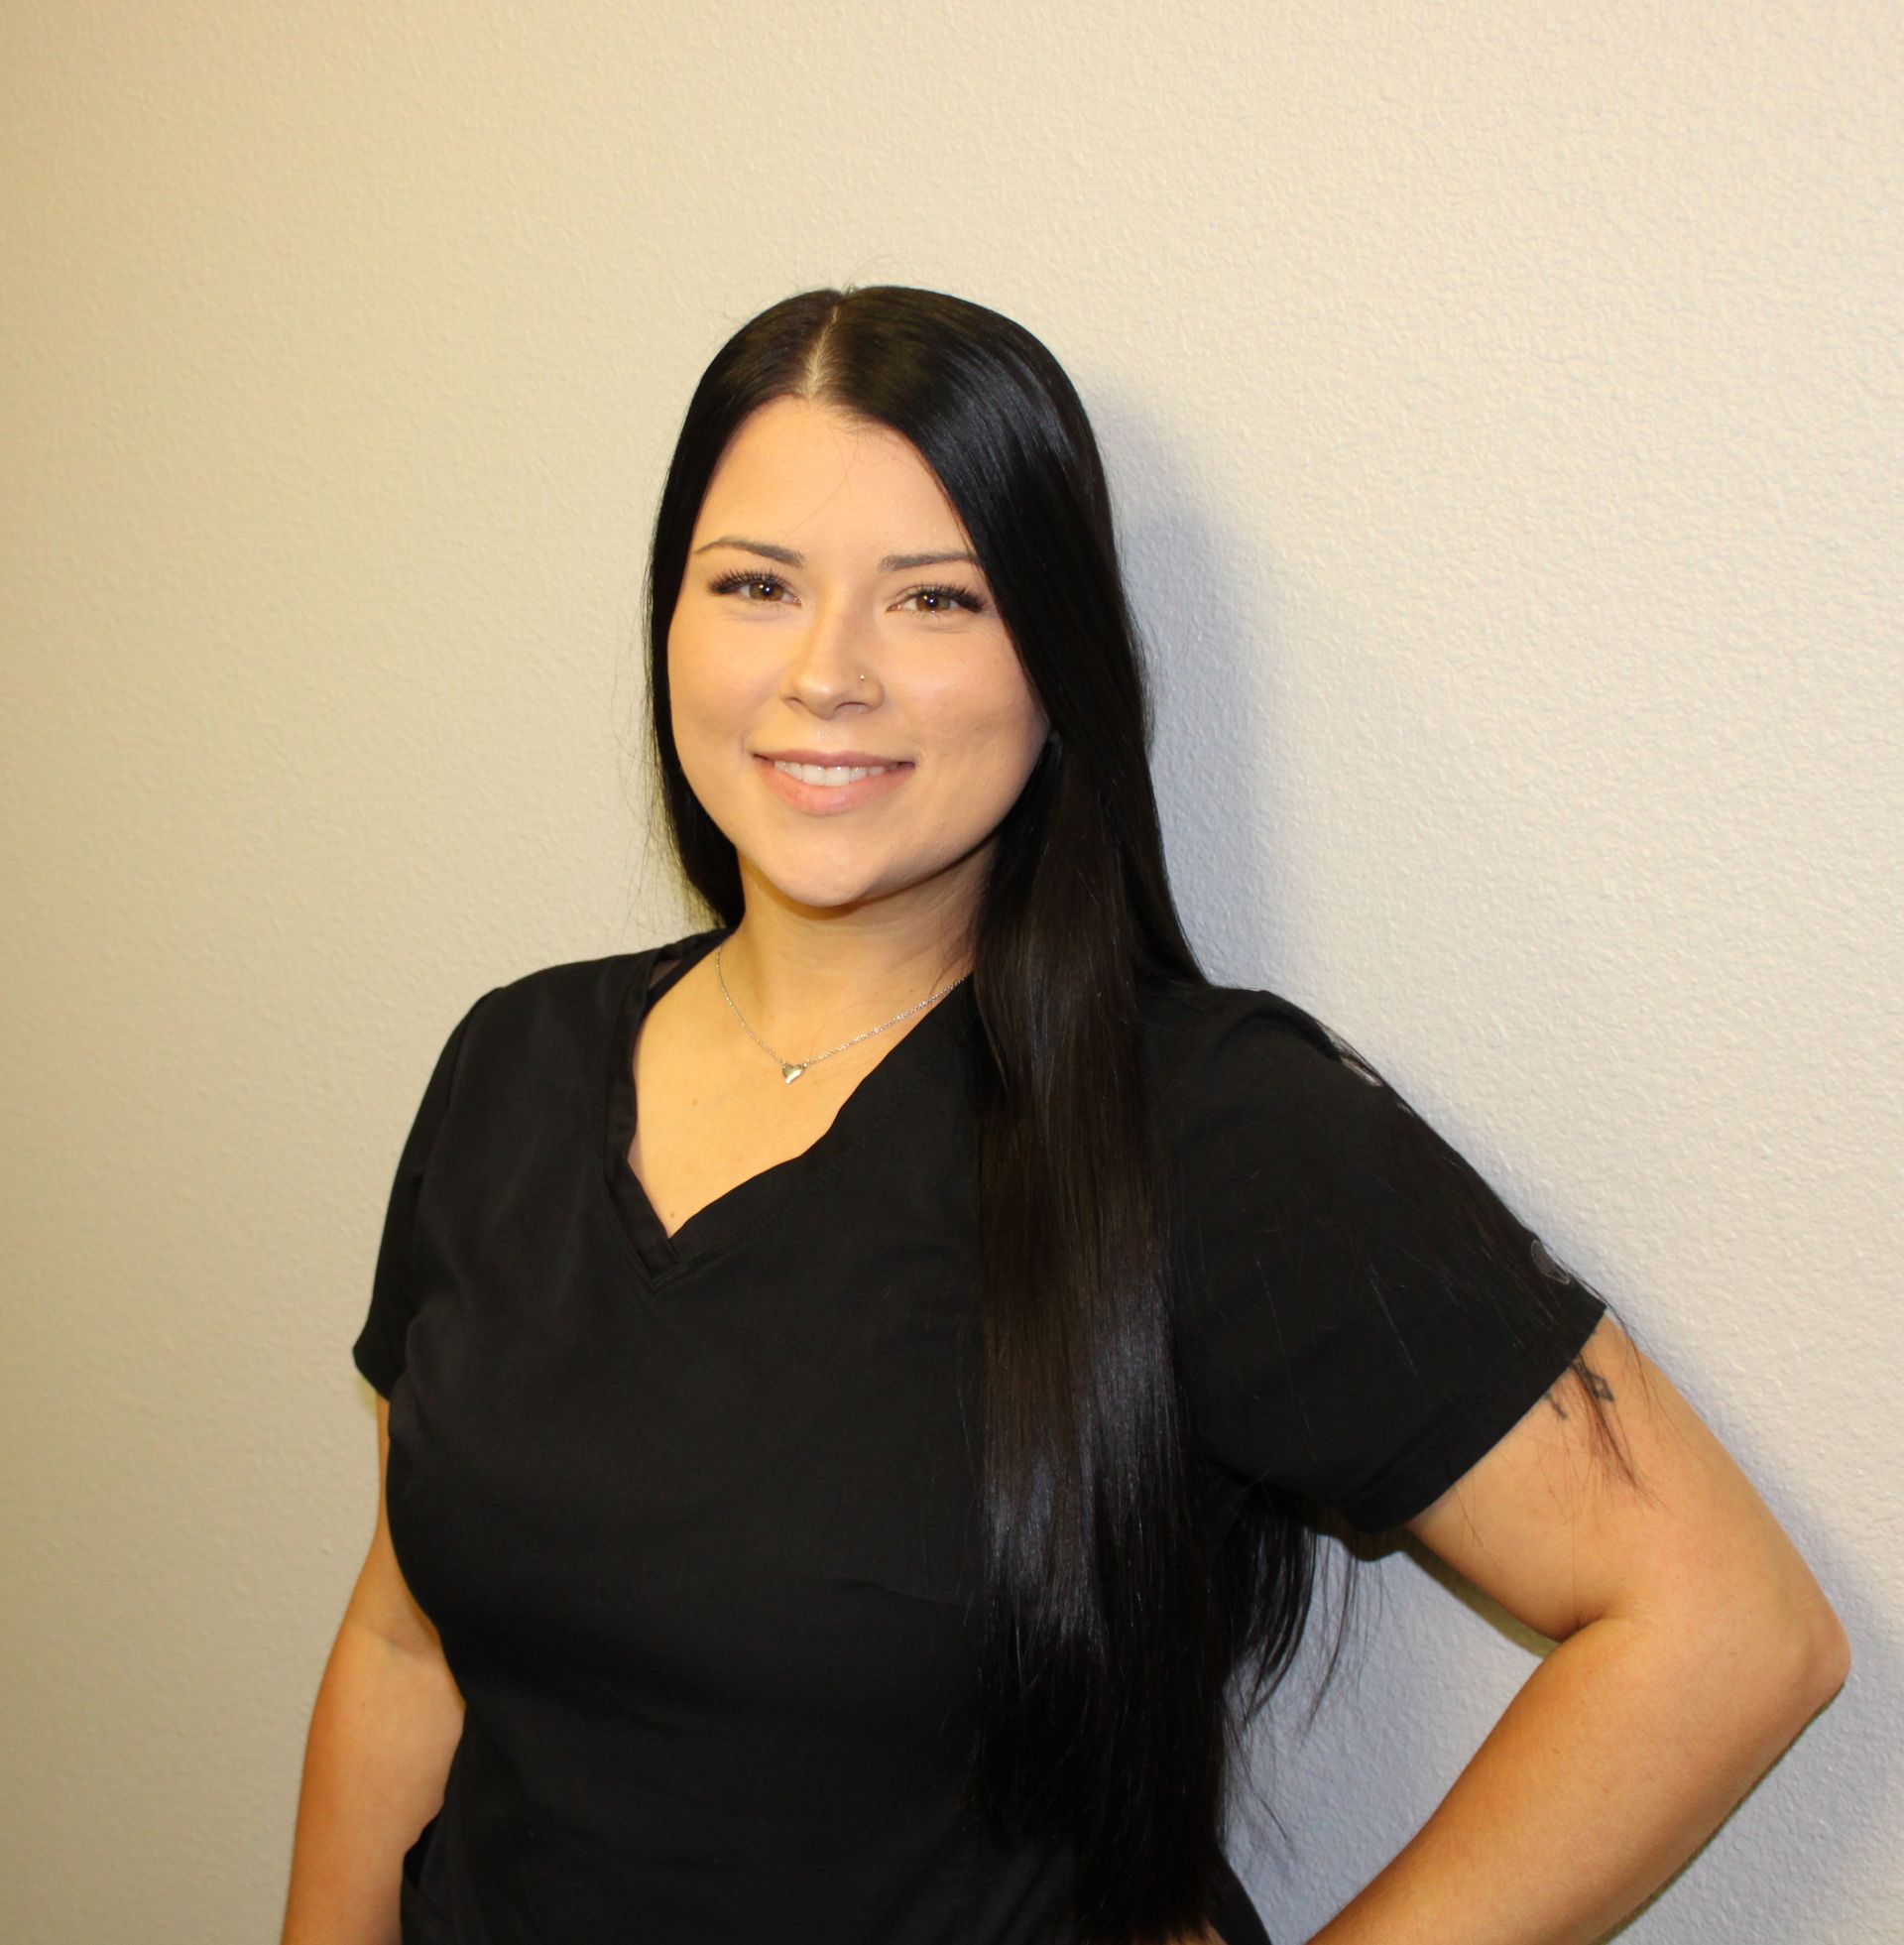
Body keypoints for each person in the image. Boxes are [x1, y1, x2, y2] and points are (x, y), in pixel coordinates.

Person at [281, 286, 1849, 1945]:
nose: (826, 675)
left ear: (1057, 659)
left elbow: (1729, 1628)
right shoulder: (510, 1065)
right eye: (755, 584)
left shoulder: (1209, 1127)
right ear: (671, 620)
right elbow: (406, 1638)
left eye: (935, 599)